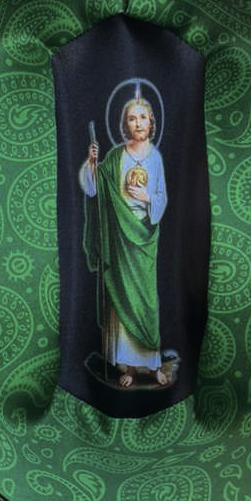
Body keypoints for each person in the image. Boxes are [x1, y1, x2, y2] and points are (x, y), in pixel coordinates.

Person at [79, 96, 168, 387]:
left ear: (151, 122)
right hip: (118, 238)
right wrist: (93, 163)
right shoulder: (116, 156)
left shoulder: (155, 157)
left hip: (143, 238)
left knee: (146, 304)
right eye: (132, 118)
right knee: (122, 302)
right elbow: (95, 189)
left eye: (143, 117)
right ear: (125, 124)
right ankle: (128, 367)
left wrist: (147, 198)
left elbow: (162, 198)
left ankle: (153, 365)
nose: (138, 123)